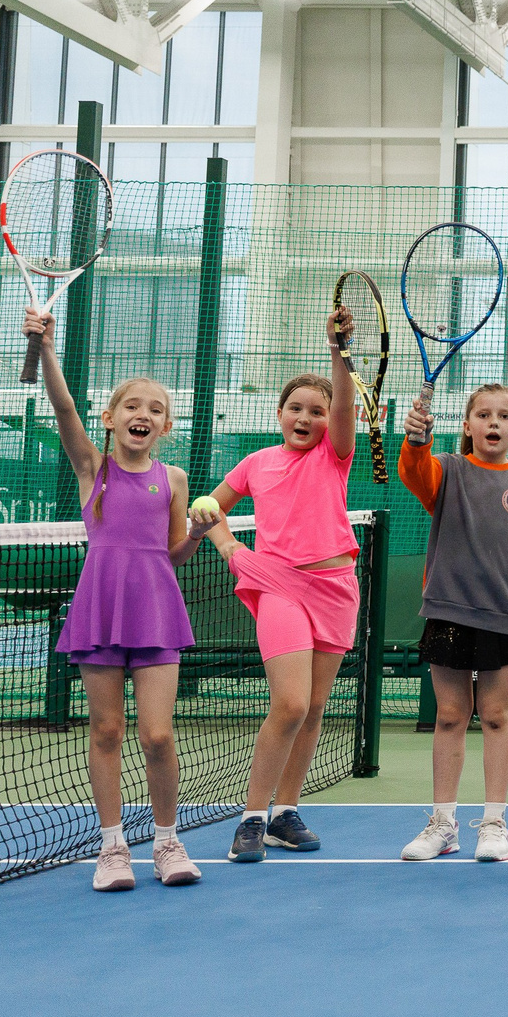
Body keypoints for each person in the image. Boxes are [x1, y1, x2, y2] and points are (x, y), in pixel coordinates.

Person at [26, 306, 208, 892]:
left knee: (157, 734)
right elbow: (62, 407)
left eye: (156, 410)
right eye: (133, 406)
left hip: (157, 610)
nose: (144, 414)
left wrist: (199, 536)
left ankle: (166, 840)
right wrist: (48, 349)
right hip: (98, 609)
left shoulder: (173, 479)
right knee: (105, 731)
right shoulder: (93, 467)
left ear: (165, 427)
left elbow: (171, 552)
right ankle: (112, 848)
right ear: (110, 419)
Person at [191, 307, 360, 865]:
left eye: (318, 410)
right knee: (288, 704)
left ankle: (286, 812)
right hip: (278, 585)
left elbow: (344, 408)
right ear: (279, 413)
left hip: (335, 589)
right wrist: (229, 549)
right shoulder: (256, 463)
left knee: (313, 708)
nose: (306, 417)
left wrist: (338, 351)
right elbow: (209, 507)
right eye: (296, 408)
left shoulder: (335, 457)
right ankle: (252, 818)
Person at [395, 382, 508, 864]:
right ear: (466, 426)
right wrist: (416, 440)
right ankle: (443, 824)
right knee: (450, 715)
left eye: (505, 415)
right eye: (484, 415)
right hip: (447, 608)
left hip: (507, 614)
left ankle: (493, 823)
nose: (494, 423)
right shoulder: (446, 470)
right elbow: (414, 473)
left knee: (496, 716)